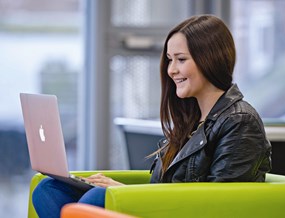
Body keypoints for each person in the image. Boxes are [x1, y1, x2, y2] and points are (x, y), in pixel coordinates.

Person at [32, 14, 272, 217]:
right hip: (163, 207)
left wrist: (126, 194)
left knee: (96, 198)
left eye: (181, 59)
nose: (171, 70)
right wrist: (124, 191)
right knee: (49, 189)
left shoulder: (240, 121)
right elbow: (162, 188)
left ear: (210, 59)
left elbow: (218, 203)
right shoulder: (190, 121)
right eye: (170, 60)